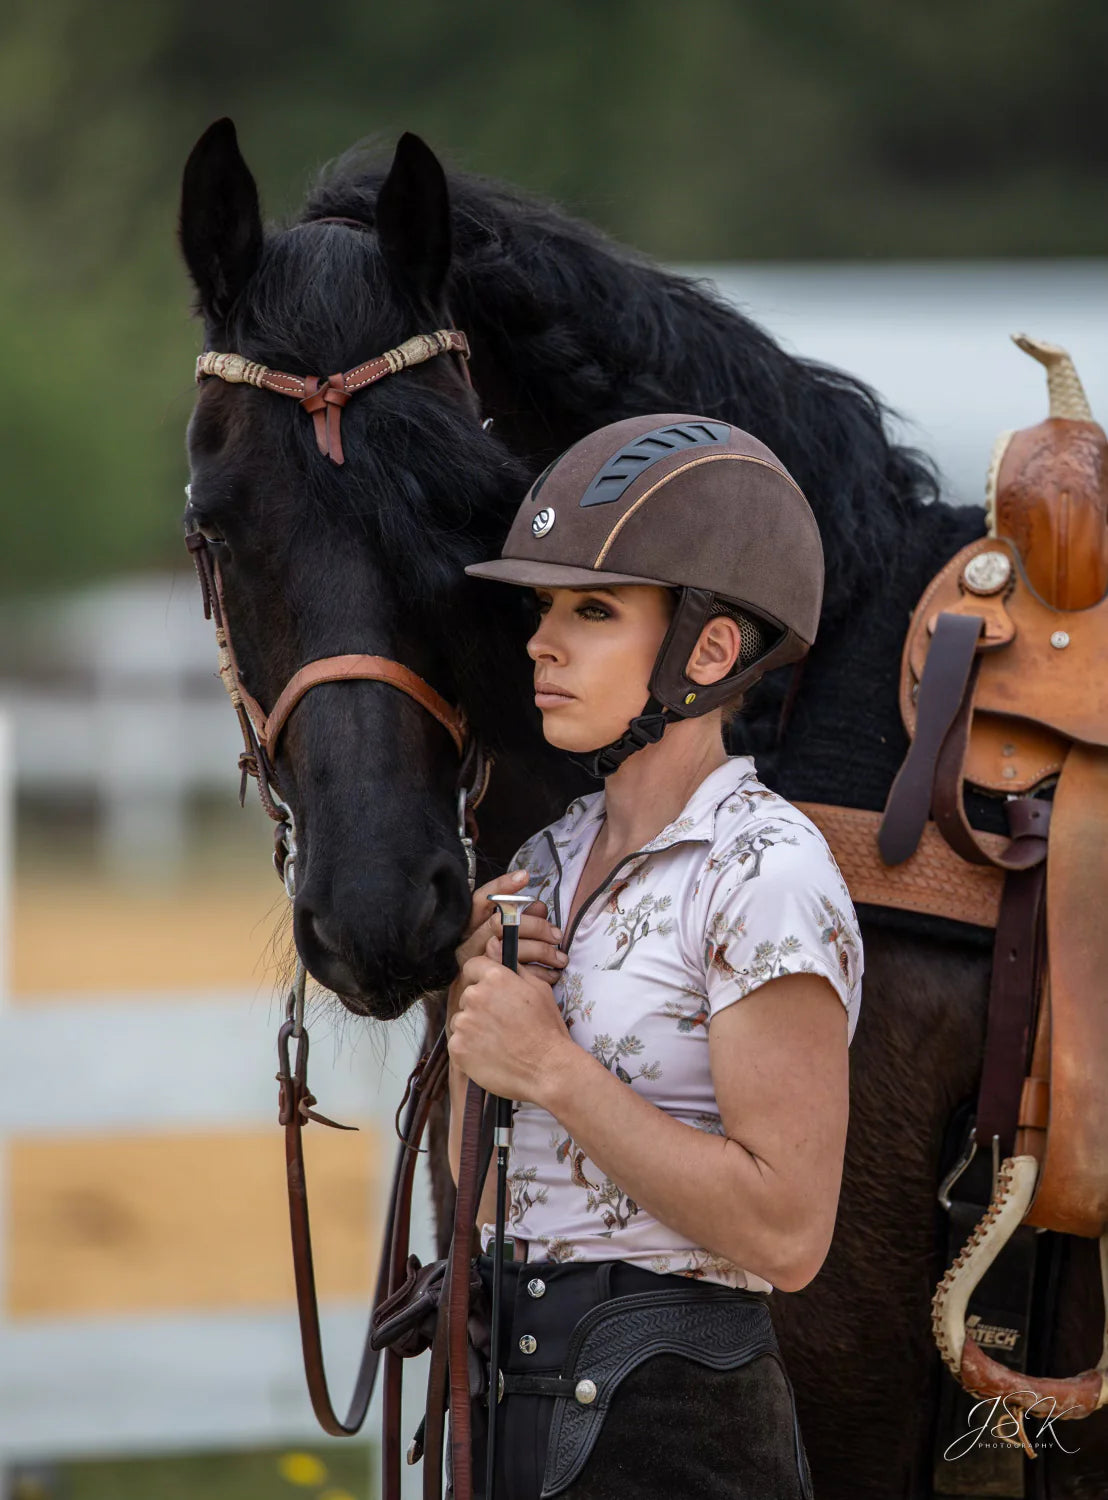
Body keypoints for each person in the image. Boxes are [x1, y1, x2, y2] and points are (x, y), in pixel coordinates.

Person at [446, 414, 862, 1499]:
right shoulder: (540, 859)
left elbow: (786, 1234)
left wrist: (550, 1068)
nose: (542, 642)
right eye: (544, 608)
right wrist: (473, 1023)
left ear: (709, 651)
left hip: (680, 1433)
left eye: (591, 610)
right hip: (506, 1410)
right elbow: (474, 1184)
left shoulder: (767, 871)